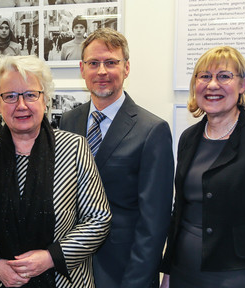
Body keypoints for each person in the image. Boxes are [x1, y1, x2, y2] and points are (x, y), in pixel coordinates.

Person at [0, 55, 112, 287]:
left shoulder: (75, 148)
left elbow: (98, 218)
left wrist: (51, 257)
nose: (21, 105)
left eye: (30, 95)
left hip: (63, 281)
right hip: (1, 282)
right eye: (10, 96)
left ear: (45, 100)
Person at [159, 46, 245, 288]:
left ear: (242, 85)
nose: (212, 85)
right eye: (204, 76)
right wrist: (167, 272)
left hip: (235, 278)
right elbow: (180, 212)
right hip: (183, 273)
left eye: (224, 76)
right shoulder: (189, 137)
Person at [60, 27, 174, 288]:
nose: (101, 71)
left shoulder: (152, 130)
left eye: (111, 62)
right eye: (93, 63)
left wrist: (136, 281)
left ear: (126, 68)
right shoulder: (69, 120)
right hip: (71, 268)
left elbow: (154, 223)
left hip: (122, 272)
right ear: (82, 68)